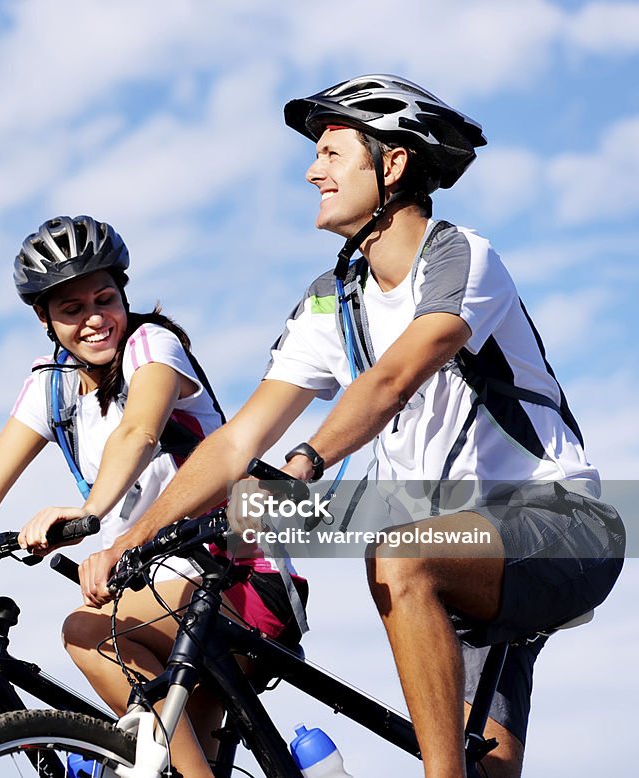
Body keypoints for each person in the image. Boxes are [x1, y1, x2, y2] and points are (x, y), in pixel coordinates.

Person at [79, 75, 625, 778]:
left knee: (396, 554)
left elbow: (392, 381)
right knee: (486, 761)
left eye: (333, 154)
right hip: (455, 551)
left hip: (561, 520)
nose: (313, 171)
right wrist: (139, 534)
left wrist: (304, 463)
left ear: (392, 163)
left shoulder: (460, 258)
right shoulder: (328, 301)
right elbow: (239, 438)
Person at [0, 215, 301, 778]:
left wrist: (90, 514)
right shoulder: (52, 384)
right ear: (44, 318)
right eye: (71, 309)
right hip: (149, 589)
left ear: (123, 294)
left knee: (89, 632)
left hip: (232, 578)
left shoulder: (151, 346)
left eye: (104, 298)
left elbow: (137, 431)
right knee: (177, 752)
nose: (94, 319)